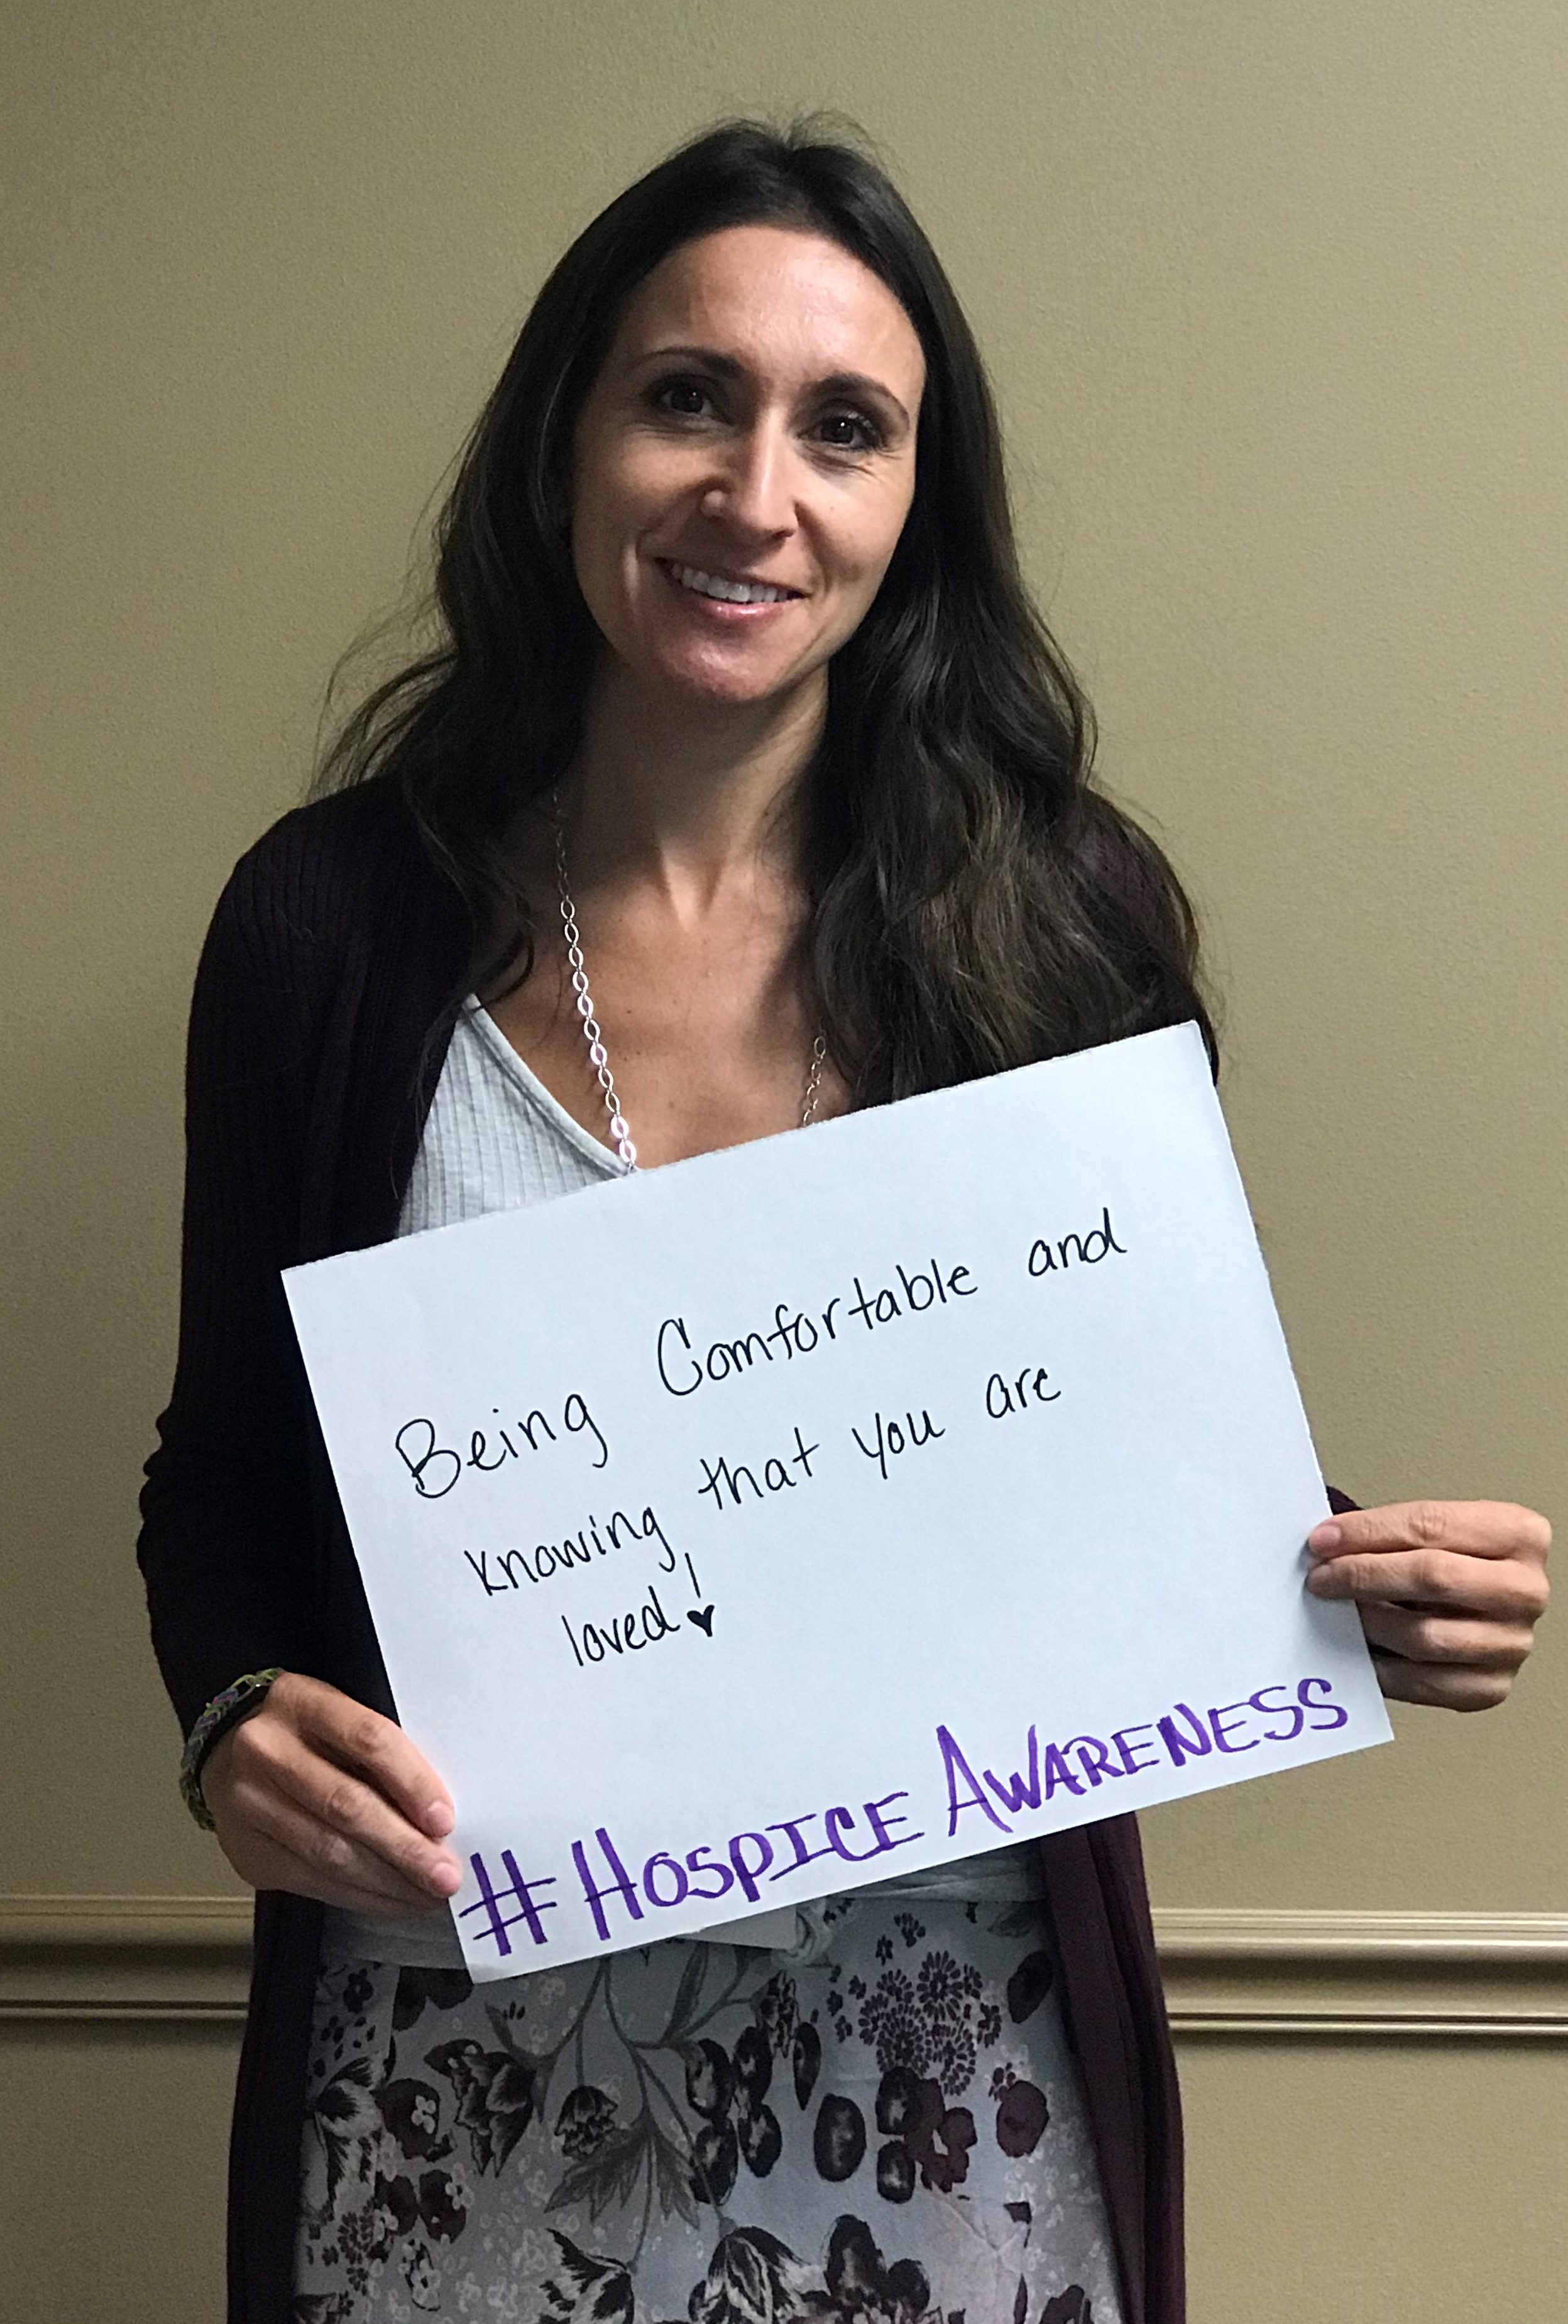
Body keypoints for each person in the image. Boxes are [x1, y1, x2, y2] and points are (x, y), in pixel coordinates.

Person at [138, 119, 1550, 2324]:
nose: (755, 491)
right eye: (688, 396)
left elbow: (1109, 1457)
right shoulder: (327, 928)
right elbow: (220, 1472)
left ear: (915, 504)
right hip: (450, 2056)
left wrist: (1365, 1580)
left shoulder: (1066, 920)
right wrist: (231, 1711)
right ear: (566, 441)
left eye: (845, 428)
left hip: (948, 2062)